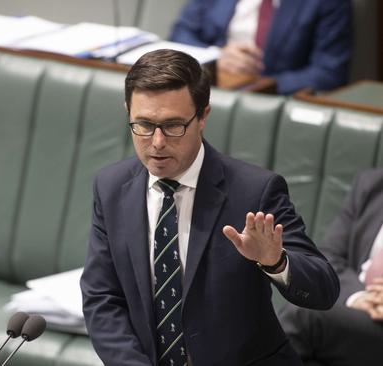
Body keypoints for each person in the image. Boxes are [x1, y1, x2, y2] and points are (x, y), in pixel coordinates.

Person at [80, 49, 339, 366]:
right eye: (144, 124)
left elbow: (325, 289)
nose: (157, 142)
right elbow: (102, 298)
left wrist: (275, 262)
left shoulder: (254, 191)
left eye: (174, 125)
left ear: (203, 117)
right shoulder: (110, 188)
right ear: (127, 112)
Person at [278, 169, 383, 366]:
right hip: (355, 312)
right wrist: (360, 297)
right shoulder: (371, 184)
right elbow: (330, 257)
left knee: (303, 316)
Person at [169, 0, 352, 94]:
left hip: (273, 99)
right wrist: (215, 58)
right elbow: (180, 35)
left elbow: (329, 73)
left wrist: (261, 86)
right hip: (208, 86)